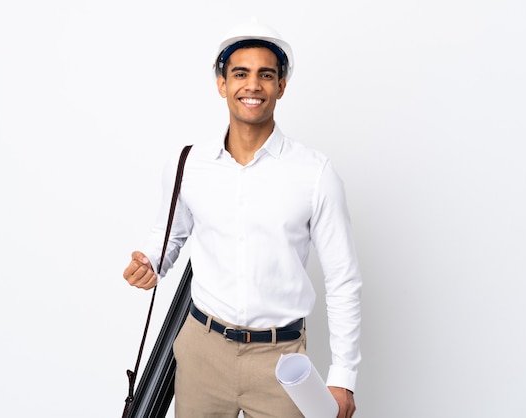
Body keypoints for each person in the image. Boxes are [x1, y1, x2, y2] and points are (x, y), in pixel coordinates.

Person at [123, 19, 362, 418]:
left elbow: (343, 278)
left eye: (265, 75)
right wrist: (148, 261)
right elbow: (169, 237)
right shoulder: (187, 164)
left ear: (281, 87)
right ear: (222, 84)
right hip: (202, 351)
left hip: (281, 362)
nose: (253, 85)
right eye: (240, 73)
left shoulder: (315, 173)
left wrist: (343, 376)